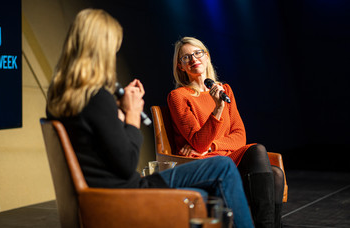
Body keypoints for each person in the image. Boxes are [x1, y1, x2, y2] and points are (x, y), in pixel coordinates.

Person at [46, 9, 253, 228]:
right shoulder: (97, 98)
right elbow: (127, 164)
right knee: (221, 166)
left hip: (103, 186)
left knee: (200, 194)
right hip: (124, 189)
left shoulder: (61, 97)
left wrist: (115, 115)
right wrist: (132, 115)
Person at [167, 36, 285, 228]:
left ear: (207, 57)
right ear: (180, 66)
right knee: (259, 154)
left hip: (228, 156)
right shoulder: (178, 97)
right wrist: (218, 109)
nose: (193, 59)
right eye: (186, 57)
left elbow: (240, 136)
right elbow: (198, 144)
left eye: (197, 53)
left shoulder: (225, 90)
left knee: (275, 173)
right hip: (206, 163)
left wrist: (213, 145)